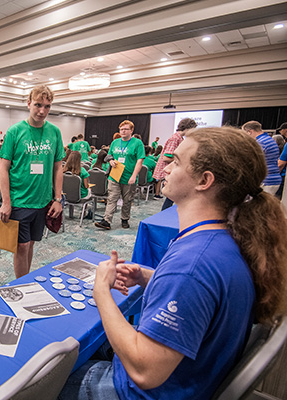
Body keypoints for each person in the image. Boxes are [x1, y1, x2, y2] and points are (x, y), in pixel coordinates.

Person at [60, 126, 287, 400]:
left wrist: (101, 293)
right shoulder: (228, 240)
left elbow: (146, 372)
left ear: (204, 180)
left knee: (47, 375)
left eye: (176, 162)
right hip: (193, 377)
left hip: (143, 391)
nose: (165, 168)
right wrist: (150, 277)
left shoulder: (191, 266)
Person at [0, 85, 64, 278]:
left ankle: (25, 278)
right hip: (19, 200)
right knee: (22, 245)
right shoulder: (15, 131)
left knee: (32, 243)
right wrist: (6, 201)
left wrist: (58, 199)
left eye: (47, 106)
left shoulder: (54, 132)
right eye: (38, 105)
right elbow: (3, 168)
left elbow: (58, 166)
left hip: (43, 201)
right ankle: (21, 283)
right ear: (28, 104)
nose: (42, 111)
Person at [94, 120, 145, 230]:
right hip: (114, 175)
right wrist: (110, 161)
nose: (123, 131)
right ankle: (106, 221)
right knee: (112, 198)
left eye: (126, 129)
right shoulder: (115, 142)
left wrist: (134, 176)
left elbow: (139, 161)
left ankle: (125, 219)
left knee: (127, 201)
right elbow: (109, 155)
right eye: (121, 129)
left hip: (128, 177)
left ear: (131, 131)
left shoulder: (137, 143)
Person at [152, 118, 197, 202]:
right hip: (168, 170)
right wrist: (182, 159)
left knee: (171, 197)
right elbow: (166, 158)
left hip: (172, 170)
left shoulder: (179, 138)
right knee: (171, 196)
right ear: (188, 128)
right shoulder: (175, 138)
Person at [243, 121, 281, 195]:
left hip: (266, 180)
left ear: (249, 132)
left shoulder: (261, 143)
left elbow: (251, 160)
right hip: (273, 178)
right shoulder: (269, 140)